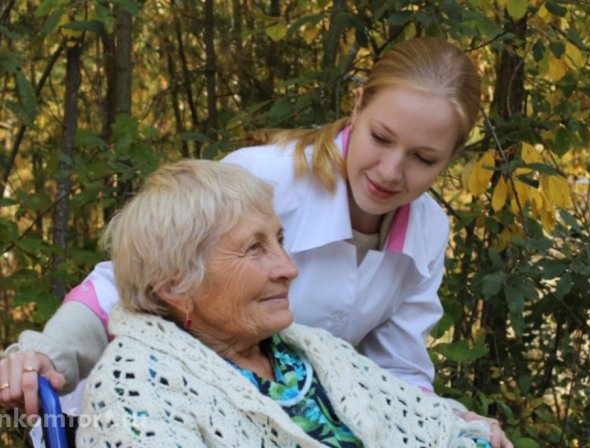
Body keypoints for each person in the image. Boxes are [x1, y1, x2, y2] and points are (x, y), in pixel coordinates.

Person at [0, 37, 512, 446]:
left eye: (423, 158)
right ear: (357, 106)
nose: (390, 171)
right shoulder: (266, 178)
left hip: (283, 406)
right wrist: (49, 355)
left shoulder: (427, 229)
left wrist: (443, 422)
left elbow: (394, 370)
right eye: (380, 138)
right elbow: (133, 279)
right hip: (160, 409)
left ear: (451, 158)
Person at [76, 159, 491, 447]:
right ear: (176, 284)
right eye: (255, 248)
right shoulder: (137, 386)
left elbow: (432, 428)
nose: (289, 269)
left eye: (279, 240)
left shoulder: (309, 352)